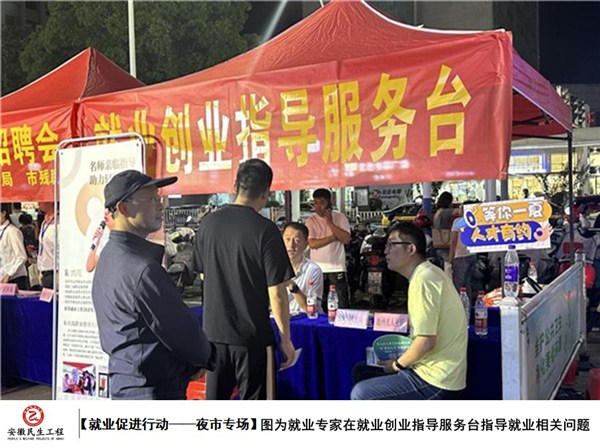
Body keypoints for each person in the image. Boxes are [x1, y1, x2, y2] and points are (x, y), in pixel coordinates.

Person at [92, 170, 215, 400]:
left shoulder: (110, 255)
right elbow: (181, 332)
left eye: (159, 198)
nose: (160, 205)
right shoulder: (142, 268)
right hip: (152, 389)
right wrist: (204, 358)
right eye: (151, 199)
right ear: (123, 208)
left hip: (126, 381)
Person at [193, 158, 295, 400]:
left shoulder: (208, 224)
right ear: (266, 192)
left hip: (214, 336)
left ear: (235, 186)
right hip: (252, 339)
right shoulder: (266, 230)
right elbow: (277, 293)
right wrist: (286, 339)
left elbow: (204, 275)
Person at [351, 221, 467, 400]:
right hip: (426, 367)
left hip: (435, 379)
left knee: (361, 393)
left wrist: (396, 365)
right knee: (362, 370)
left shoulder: (424, 279)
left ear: (411, 249)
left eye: (392, 244)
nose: (385, 251)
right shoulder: (428, 273)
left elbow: (426, 342)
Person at [305, 188, 351, 310]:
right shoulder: (311, 220)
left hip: (337, 267)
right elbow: (313, 244)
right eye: (315, 203)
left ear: (329, 203)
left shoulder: (340, 217)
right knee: (320, 304)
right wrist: (333, 237)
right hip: (317, 268)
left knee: (341, 304)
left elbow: (346, 239)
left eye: (322, 202)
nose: (318, 206)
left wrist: (330, 222)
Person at [282, 222, 324, 313]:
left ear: (306, 245)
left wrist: (292, 286)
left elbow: (312, 310)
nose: (291, 245)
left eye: (297, 240)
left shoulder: (313, 270)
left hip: (304, 318)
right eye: (287, 239)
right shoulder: (273, 267)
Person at [449, 200, 479, 302]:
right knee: (467, 283)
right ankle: (468, 306)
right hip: (472, 255)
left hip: (460, 255)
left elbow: (453, 241)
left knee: (458, 285)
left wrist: (451, 257)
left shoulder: (458, 222)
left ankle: (459, 306)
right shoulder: (475, 221)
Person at [0, 204, 28, 290]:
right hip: (3, 276)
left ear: (3, 213)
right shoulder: (2, 230)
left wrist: (9, 275)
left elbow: (21, 257)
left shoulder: (12, 231)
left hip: (14, 278)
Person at [86, 208, 114, 273]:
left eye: (110, 210)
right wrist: (95, 245)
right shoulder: (104, 238)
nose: (106, 213)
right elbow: (89, 268)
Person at [37, 201, 58, 289]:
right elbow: (42, 247)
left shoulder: (59, 222)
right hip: (45, 270)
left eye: (42, 200)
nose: (39, 203)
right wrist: (41, 269)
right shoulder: (44, 222)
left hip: (55, 270)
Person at [432, 191, 454, 262]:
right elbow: (459, 212)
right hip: (445, 243)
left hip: (439, 243)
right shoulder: (446, 212)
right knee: (448, 264)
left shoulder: (438, 212)